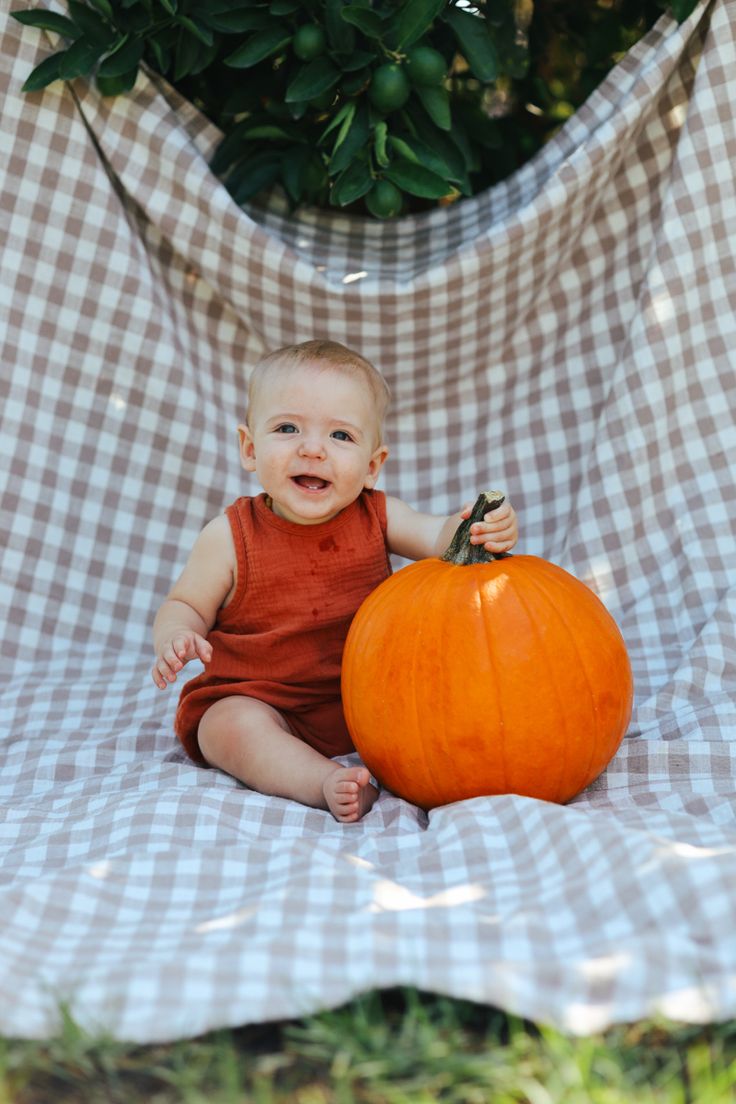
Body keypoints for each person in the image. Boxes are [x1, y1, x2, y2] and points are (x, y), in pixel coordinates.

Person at [152, 340, 518, 822]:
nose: (312, 449)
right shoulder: (229, 536)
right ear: (249, 448)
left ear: (371, 466)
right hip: (259, 696)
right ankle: (320, 780)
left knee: (443, 695)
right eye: (287, 428)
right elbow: (185, 604)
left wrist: (481, 528)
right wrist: (177, 635)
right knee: (224, 727)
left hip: (363, 698)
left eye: (341, 436)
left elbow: (438, 537)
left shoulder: (378, 517)